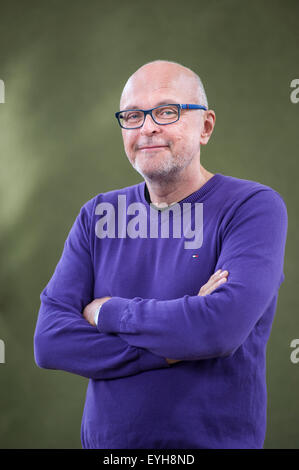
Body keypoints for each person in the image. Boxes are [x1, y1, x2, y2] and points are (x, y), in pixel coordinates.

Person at [33, 60, 288, 449]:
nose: (147, 127)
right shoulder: (99, 215)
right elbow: (50, 340)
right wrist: (169, 352)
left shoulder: (252, 208)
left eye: (167, 112)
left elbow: (218, 329)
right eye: (133, 115)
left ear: (205, 127)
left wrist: (107, 312)